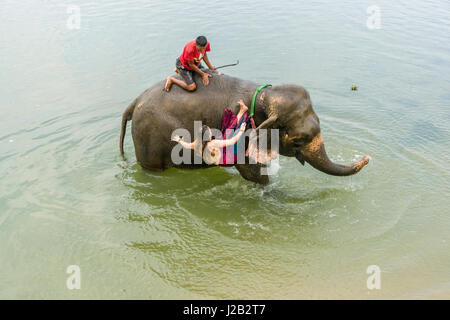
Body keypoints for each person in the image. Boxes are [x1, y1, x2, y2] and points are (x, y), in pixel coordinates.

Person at [172, 100, 249, 166]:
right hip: (230, 159)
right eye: (209, 131)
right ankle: (243, 118)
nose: (211, 132)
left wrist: (179, 140)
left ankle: (242, 111)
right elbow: (232, 141)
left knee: (227, 133)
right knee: (237, 131)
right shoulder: (213, 143)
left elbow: (187, 145)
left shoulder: (197, 144)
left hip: (220, 161)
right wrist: (241, 130)